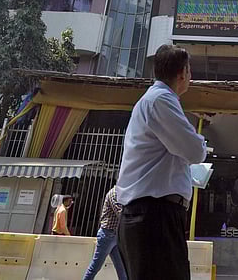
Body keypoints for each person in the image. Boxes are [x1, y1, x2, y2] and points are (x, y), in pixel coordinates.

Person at [116, 44, 207, 280]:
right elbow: (194, 151)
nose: (190, 76)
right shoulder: (161, 99)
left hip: (150, 214)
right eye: (189, 70)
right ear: (182, 74)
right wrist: (200, 141)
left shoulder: (154, 99)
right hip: (154, 216)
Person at [82, 186, 128, 280]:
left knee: (121, 268)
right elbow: (120, 213)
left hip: (114, 235)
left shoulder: (120, 194)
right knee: (95, 266)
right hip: (107, 235)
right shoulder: (114, 193)